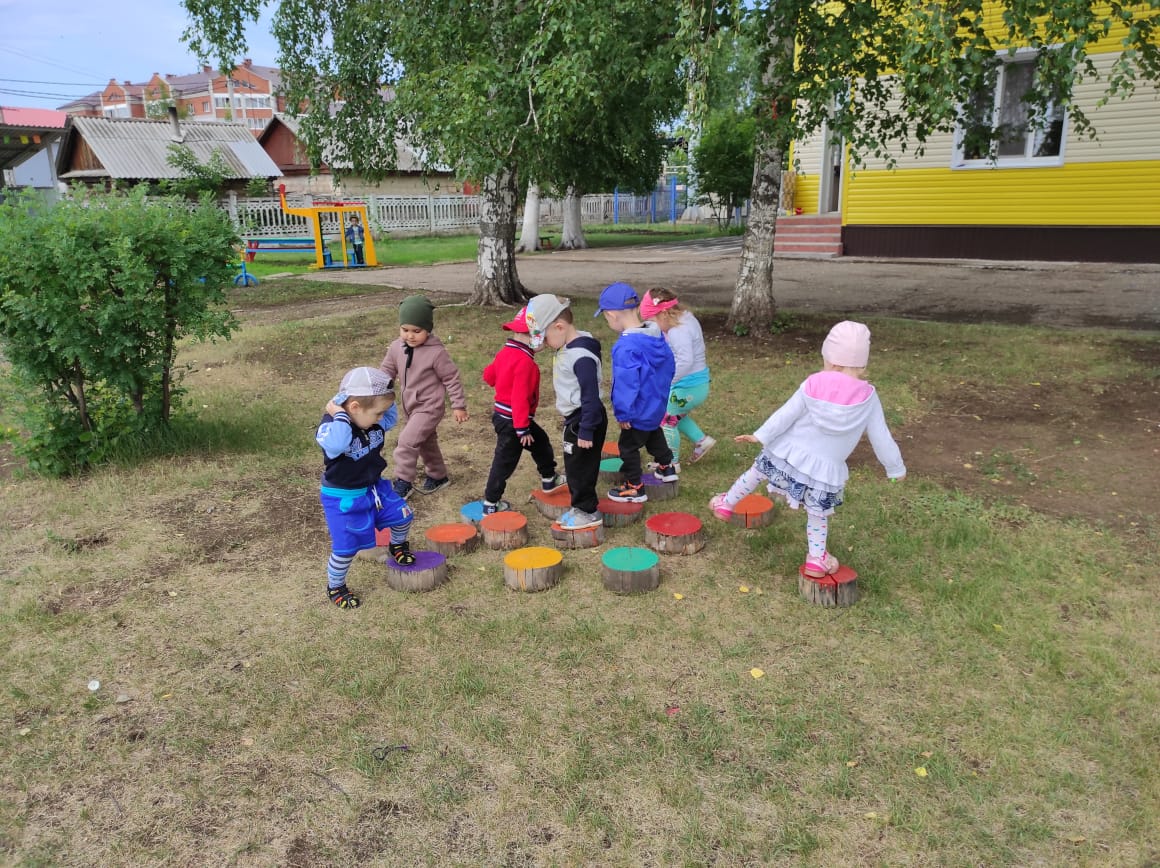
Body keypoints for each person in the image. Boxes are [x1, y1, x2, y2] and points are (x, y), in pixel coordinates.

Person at [708, 321, 906, 578]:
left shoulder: (813, 383)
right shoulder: (868, 397)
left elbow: (786, 414)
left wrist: (761, 435)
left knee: (756, 473)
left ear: (831, 361)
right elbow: (881, 436)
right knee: (817, 513)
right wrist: (895, 468)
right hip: (824, 471)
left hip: (787, 453)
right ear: (861, 364)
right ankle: (816, 558)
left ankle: (726, 503)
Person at [316, 367, 415, 610]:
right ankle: (336, 586)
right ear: (354, 407)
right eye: (378, 413)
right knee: (346, 549)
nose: (382, 418)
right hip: (344, 499)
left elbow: (390, 414)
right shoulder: (332, 427)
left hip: (375, 489)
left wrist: (384, 391)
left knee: (403, 515)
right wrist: (339, 413)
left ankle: (397, 545)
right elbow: (336, 445)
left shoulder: (372, 420)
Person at [524, 294, 607, 530]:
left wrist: (586, 429)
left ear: (559, 327)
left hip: (585, 418)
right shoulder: (571, 343)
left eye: (545, 337)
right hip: (577, 417)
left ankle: (587, 511)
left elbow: (590, 396)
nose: (544, 343)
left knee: (580, 468)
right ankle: (581, 506)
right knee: (575, 465)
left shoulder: (580, 358)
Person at [594, 282, 678, 503]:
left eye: (606, 318)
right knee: (653, 433)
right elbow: (670, 366)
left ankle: (634, 486)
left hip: (637, 410)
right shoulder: (656, 336)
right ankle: (667, 467)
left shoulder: (625, 347)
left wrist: (623, 413)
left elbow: (626, 384)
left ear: (612, 315)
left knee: (628, 446)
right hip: (656, 405)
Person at [379, 295, 469, 498]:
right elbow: (387, 370)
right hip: (410, 406)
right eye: (405, 330)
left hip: (429, 407)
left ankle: (404, 481)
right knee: (426, 441)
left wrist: (458, 405)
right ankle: (438, 476)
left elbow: (451, 378)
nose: (410, 336)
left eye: (416, 331)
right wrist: (378, 387)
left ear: (428, 329)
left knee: (406, 442)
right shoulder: (396, 347)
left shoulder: (436, 353)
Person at [480, 306, 567, 514]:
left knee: (541, 442)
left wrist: (503, 375)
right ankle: (491, 503)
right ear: (533, 336)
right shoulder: (526, 363)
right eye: (543, 336)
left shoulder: (505, 353)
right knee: (504, 462)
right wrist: (522, 429)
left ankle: (549, 477)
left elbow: (489, 376)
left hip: (506, 417)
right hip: (514, 421)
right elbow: (519, 398)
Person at [640, 287, 716, 468]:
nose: (652, 327)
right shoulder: (686, 319)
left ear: (663, 314)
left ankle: (670, 463)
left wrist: (668, 381)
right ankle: (701, 440)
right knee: (674, 415)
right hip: (695, 383)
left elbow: (685, 361)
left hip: (688, 386)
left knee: (665, 420)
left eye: (651, 321)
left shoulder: (677, 331)